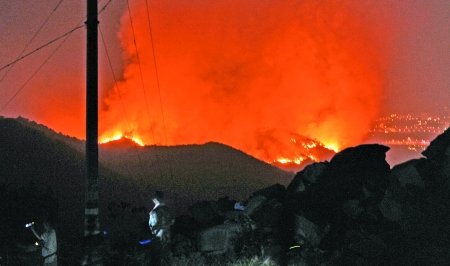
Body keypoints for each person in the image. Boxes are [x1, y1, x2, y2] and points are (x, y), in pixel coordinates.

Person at [148, 191, 173, 265]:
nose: (153, 200)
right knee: (165, 257)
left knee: (157, 258)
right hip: (166, 237)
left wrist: (158, 229)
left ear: (156, 199)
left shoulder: (156, 211)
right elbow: (172, 221)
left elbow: (154, 224)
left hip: (158, 237)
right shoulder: (167, 209)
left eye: (154, 198)